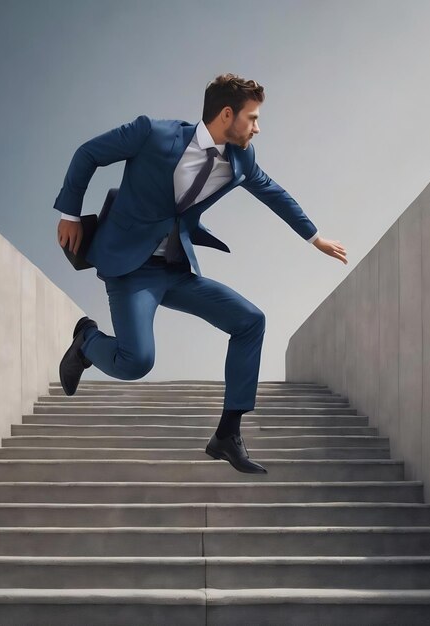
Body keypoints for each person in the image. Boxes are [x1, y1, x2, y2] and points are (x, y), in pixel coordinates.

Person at [53, 73, 347, 474]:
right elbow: (89, 153)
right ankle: (86, 340)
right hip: (131, 268)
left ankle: (227, 434)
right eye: (253, 118)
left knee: (250, 321)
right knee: (136, 361)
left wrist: (315, 238)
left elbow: (273, 192)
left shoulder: (241, 159)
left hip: (175, 267)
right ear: (227, 115)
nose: (257, 128)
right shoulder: (152, 134)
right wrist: (70, 213)